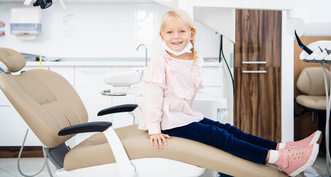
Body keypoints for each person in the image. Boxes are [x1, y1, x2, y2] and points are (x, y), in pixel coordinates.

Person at [138, 9, 321, 177]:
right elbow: (153, 97)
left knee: (229, 129)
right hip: (168, 123)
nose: (176, 36)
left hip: (183, 117)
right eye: (170, 32)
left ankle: (284, 148)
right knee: (218, 136)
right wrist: (154, 129)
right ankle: (277, 159)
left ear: (191, 33)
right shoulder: (160, 59)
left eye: (181, 31)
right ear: (162, 35)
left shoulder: (194, 59)